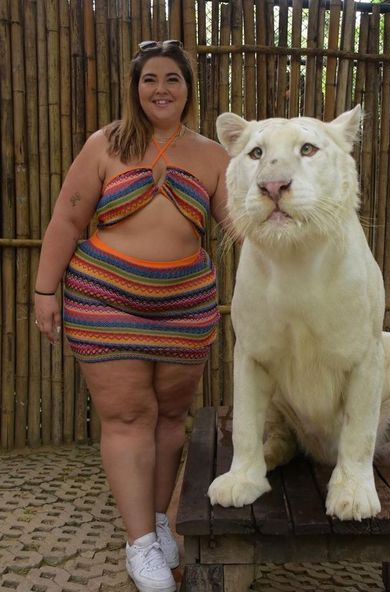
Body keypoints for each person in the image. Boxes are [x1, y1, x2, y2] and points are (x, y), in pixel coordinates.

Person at [34, 40, 229, 592]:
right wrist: (45, 291)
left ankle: (162, 523)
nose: (161, 89)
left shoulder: (215, 157)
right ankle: (140, 545)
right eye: (150, 79)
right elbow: (66, 222)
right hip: (105, 299)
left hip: (186, 306)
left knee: (170, 421)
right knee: (126, 418)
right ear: (135, 87)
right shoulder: (106, 146)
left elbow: (245, 228)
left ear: (189, 88)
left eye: (172, 78)